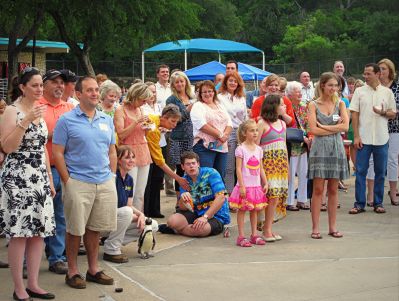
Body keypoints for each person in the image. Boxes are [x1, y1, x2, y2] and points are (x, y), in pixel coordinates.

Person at [53, 76, 117, 289]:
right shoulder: (66, 120)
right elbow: (58, 153)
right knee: (74, 230)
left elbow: (111, 150)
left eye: (96, 90)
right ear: (78, 94)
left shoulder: (106, 119)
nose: (94, 93)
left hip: (104, 181)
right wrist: (68, 181)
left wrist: (113, 175)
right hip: (78, 181)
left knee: (95, 229)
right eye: (89, 90)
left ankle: (93, 269)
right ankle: (72, 272)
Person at [0, 67, 56, 300]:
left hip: (39, 177)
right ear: (22, 87)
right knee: (20, 233)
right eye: (35, 85)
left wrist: (50, 178)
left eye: (41, 85)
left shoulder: (38, 110)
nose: (39, 89)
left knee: (38, 234)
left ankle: (33, 283)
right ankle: (18, 288)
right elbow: (7, 147)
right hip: (17, 178)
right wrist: (26, 121)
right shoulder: (12, 111)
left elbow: (42, 147)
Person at [39, 70, 74, 275]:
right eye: (54, 82)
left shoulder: (70, 108)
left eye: (62, 82)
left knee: (60, 216)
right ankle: (28, 260)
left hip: (63, 169)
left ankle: (57, 258)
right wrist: (53, 135)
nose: (59, 86)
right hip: (40, 170)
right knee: (39, 216)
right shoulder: (35, 107)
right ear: (44, 85)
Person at [349, 63, 396, 215]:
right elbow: (354, 114)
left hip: (382, 138)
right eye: (364, 73)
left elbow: (393, 113)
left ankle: (378, 202)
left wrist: (382, 112)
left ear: (378, 74)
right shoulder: (359, 91)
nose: (365, 77)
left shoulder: (387, 92)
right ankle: (359, 203)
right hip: (364, 137)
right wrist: (356, 135)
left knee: (380, 172)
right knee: (361, 171)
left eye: (369, 74)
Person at [308, 72, 349, 239]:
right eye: (330, 85)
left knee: (333, 189)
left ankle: (333, 227)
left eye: (336, 85)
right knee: (318, 189)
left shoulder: (340, 104)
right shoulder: (313, 105)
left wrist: (324, 128)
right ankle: (315, 228)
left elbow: (345, 127)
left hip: (336, 147)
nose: (333, 88)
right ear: (322, 85)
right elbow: (313, 130)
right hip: (319, 148)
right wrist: (334, 128)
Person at [102, 145, 158, 263]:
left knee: (152, 224)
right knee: (127, 213)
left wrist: (141, 215)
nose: (131, 160)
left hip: (120, 218)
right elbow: (117, 208)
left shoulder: (129, 179)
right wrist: (135, 217)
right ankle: (111, 250)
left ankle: (110, 240)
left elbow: (129, 205)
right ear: (118, 160)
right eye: (127, 157)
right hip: (105, 220)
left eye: (133, 157)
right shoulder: (112, 177)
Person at [166, 151, 231, 237]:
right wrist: (183, 199)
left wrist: (205, 217)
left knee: (199, 230)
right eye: (188, 164)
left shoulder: (210, 173)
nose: (191, 166)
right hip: (196, 212)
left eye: (193, 163)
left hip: (215, 215)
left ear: (198, 164)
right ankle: (184, 229)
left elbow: (221, 197)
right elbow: (182, 208)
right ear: (182, 167)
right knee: (172, 222)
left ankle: (178, 230)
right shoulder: (184, 180)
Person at [365, 59, 399, 207]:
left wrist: (385, 112)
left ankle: (393, 192)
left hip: (393, 128)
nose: (382, 71)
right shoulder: (373, 87)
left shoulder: (397, 88)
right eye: (380, 69)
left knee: (392, 160)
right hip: (374, 128)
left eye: (384, 69)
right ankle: (371, 194)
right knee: (372, 161)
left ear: (390, 71)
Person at [229, 120, 268, 247]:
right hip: (245, 186)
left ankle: (254, 234)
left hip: (256, 186)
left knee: (254, 211)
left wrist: (265, 182)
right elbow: (238, 169)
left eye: (256, 130)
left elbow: (261, 168)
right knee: (242, 210)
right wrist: (241, 185)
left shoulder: (259, 149)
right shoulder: (241, 149)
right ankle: (241, 236)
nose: (255, 132)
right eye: (252, 130)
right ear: (244, 133)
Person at [114, 82, 152, 212]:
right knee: (130, 189)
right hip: (128, 152)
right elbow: (121, 134)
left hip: (143, 150)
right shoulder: (120, 109)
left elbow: (141, 132)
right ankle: (127, 219)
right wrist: (136, 122)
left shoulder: (140, 109)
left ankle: (138, 222)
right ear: (135, 96)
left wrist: (147, 127)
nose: (145, 102)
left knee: (140, 192)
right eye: (143, 99)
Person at [256, 94, 288, 242]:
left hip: (280, 165)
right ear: (273, 106)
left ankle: (268, 227)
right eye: (282, 105)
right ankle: (266, 229)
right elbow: (255, 147)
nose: (284, 107)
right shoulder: (262, 123)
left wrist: (286, 164)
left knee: (276, 198)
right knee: (271, 196)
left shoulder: (283, 124)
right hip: (267, 165)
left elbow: (284, 146)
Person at [145, 104, 190, 196]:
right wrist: (178, 178)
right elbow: (159, 160)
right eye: (172, 121)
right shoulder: (154, 130)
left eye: (176, 122)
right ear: (164, 117)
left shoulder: (154, 120)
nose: (174, 125)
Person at [191, 80, 233, 178]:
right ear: (200, 94)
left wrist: (225, 135)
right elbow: (202, 125)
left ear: (214, 92)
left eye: (210, 91)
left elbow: (229, 122)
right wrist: (220, 135)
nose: (207, 94)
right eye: (204, 92)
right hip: (204, 147)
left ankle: (219, 194)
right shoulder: (198, 106)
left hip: (221, 147)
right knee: (205, 176)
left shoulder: (220, 105)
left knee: (220, 176)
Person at [166, 71, 195, 197]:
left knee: (191, 168)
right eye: (177, 82)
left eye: (182, 81)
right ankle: (179, 199)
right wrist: (187, 111)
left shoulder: (191, 96)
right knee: (180, 169)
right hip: (178, 138)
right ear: (173, 85)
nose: (179, 84)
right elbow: (172, 120)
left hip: (191, 138)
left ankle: (190, 197)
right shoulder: (171, 99)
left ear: (186, 82)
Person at [218, 71, 247, 193]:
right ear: (225, 82)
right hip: (227, 131)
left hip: (241, 132)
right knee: (229, 166)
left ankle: (241, 193)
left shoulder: (241, 98)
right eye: (230, 80)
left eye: (235, 81)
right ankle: (229, 194)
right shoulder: (219, 97)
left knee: (241, 166)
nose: (233, 83)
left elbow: (245, 117)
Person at [142, 82, 168, 217]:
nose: (153, 94)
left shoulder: (159, 107)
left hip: (161, 143)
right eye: (150, 92)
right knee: (148, 179)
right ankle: (145, 210)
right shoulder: (142, 108)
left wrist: (163, 128)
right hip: (148, 146)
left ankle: (155, 209)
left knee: (158, 178)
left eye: (154, 92)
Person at [286, 81, 311, 211]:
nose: (300, 94)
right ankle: (290, 201)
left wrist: (310, 136)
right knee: (291, 173)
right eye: (297, 92)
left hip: (303, 145)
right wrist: (304, 137)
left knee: (303, 172)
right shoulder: (287, 106)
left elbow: (307, 123)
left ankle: (302, 199)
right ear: (290, 94)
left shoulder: (303, 107)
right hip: (292, 144)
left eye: (300, 91)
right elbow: (291, 125)